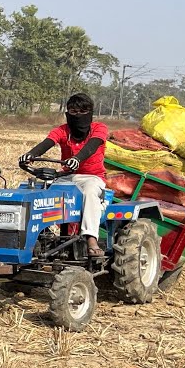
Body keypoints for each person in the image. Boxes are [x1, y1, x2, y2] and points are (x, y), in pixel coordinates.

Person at [19, 92, 109, 257]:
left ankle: (91, 238)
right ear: (67, 113)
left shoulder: (99, 128)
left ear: (90, 113)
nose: (78, 116)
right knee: (40, 193)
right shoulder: (62, 130)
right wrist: (30, 154)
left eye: (83, 112)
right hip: (67, 176)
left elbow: (92, 145)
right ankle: (36, 238)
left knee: (89, 191)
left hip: (92, 177)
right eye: (73, 112)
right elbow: (47, 143)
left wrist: (77, 159)